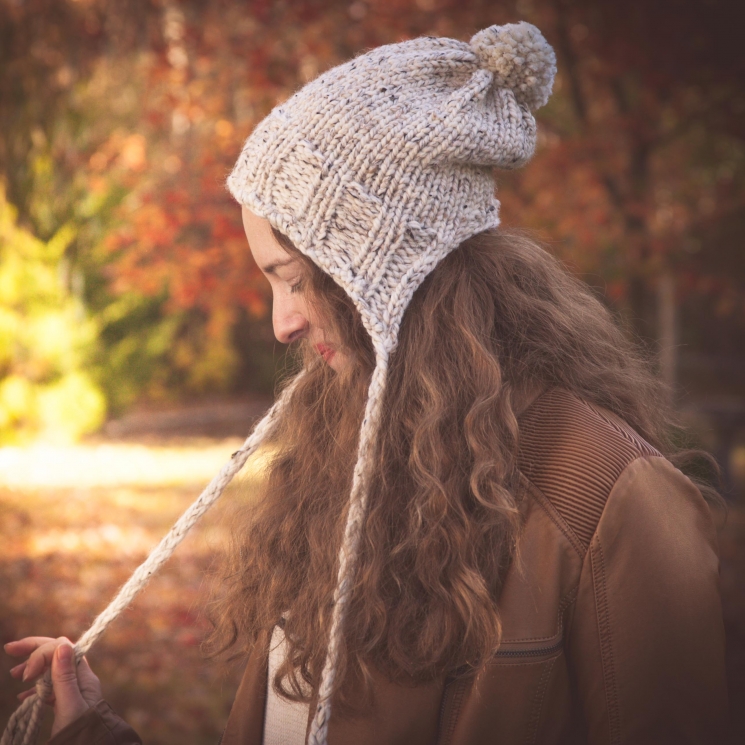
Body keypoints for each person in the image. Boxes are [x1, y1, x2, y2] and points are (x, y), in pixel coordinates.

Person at [5, 21, 728, 745]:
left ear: (382, 276)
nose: (281, 324)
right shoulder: (340, 453)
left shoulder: (606, 498)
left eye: (294, 280)